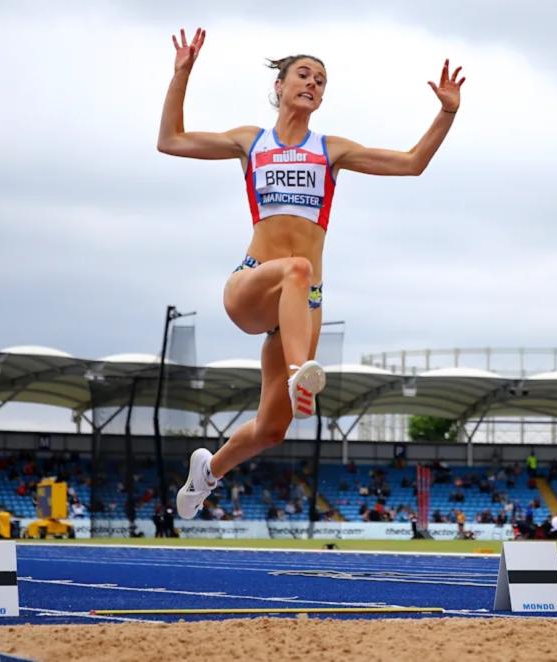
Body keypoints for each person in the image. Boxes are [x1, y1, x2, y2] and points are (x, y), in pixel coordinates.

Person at [160, 28, 465, 519]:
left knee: (272, 429)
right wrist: (182, 73)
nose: (313, 84)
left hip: (303, 304)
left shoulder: (332, 150)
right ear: (278, 87)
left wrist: (446, 111)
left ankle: (208, 472)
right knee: (297, 268)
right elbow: (170, 140)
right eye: (303, 75)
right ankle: (302, 371)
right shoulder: (249, 141)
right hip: (253, 283)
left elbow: (412, 164)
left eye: (321, 81)